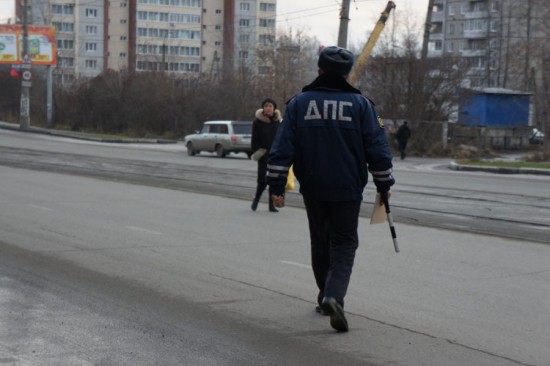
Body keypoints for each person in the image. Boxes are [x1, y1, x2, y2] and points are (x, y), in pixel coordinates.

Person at [266, 46, 395, 332]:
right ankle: (334, 296)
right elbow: (378, 148)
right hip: (348, 188)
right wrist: (384, 184)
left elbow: (281, 148)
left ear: (319, 70)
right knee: (345, 243)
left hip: (313, 187)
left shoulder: (299, 104)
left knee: (319, 240)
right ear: (347, 73)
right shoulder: (362, 106)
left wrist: (277, 186)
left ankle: (324, 296)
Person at [251, 98, 282, 212]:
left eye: (270, 106)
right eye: (266, 106)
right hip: (263, 155)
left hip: (275, 156)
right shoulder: (257, 122)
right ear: (263, 108)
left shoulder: (277, 122)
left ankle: (271, 205)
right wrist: (259, 152)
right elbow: (254, 140)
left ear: (274, 109)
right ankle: (256, 200)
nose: (268, 108)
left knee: (273, 181)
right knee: (262, 181)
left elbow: (281, 138)